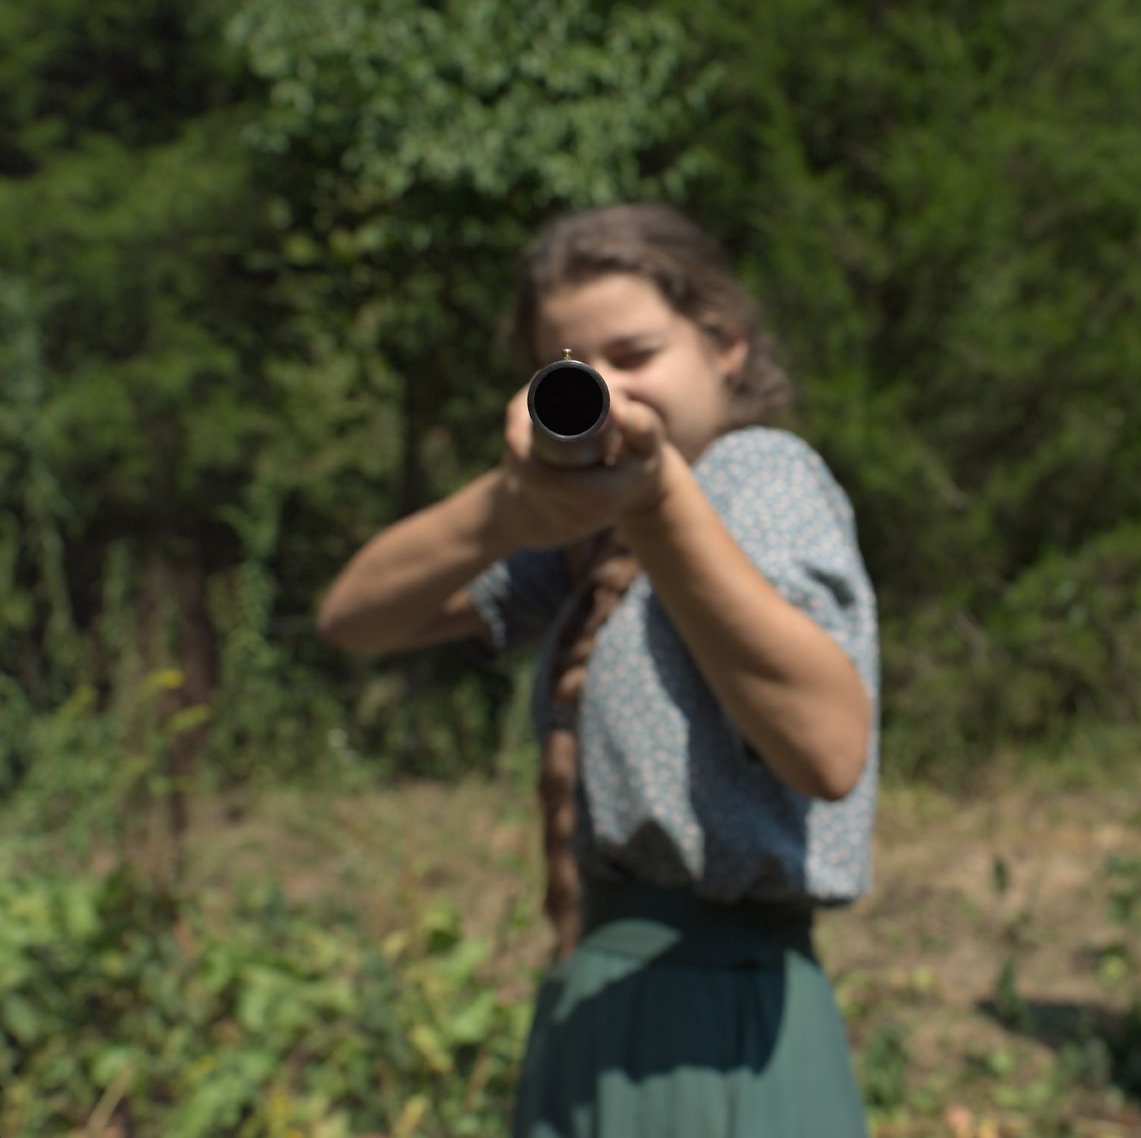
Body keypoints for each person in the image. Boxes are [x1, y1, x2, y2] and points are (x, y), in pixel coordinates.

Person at [316, 203, 879, 1137]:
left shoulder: (758, 476)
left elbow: (827, 748)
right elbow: (357, 617)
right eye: (574, 368)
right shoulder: (586, 542)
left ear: (726, 344)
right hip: (600, 989)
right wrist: (508, 510)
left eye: (636, 353)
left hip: (710, 1013)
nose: (610, 387)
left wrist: (660, 504)